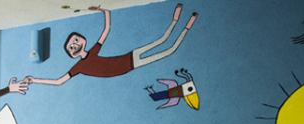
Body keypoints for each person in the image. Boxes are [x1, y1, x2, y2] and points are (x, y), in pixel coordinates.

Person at [29, 4, 198, 87]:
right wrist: (34, 79)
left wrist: (105, 12)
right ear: (72, 55)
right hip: (130, 65)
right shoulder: (79, 67)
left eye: (75, 40)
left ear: (83, 40)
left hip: (129, 57)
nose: (74, 44)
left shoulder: (93, 51)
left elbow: (106, 30)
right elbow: (58, 81)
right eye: (71, 46)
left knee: (161, 41)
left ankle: (175, 19)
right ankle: (187, 26)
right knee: (169, 50)